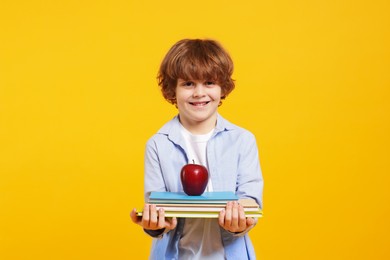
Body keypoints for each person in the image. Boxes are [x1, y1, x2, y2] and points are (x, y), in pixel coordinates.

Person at [130, 38, 263, 260]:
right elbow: (157, 206)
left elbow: (251, 201)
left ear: (222, 88)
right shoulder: (158, 144)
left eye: (209, 82)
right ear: (173, 89)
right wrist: (154, 224)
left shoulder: (243, 140)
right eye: (188, 83)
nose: (199, 93)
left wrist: (239, 221)